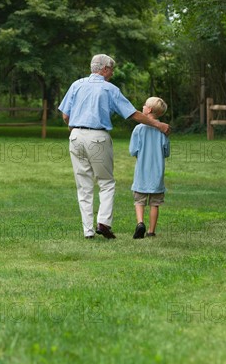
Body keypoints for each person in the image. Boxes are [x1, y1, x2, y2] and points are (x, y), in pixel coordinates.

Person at [58, 54, 171, 239]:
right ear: (104, 69)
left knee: (84, 185)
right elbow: (133, 114)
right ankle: (103, 223)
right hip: (98, 137)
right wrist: (159, 125)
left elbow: (65, 115)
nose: (112, 73)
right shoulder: (109, 89)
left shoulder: (76, 85)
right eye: (111, 69)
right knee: (106, 183)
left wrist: (75, 129)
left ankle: (87, 231)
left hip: (75, 136)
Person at [129, 97, 171, 239]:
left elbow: (133, 151)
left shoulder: (138, 129)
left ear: (149, 110)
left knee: (139, 200)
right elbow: (166, 152)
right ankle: (151, 231)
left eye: (145, 105)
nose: (142, 106)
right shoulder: (163, 130)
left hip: (141, 172)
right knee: (155, 203)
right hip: (157, 173)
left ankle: (140, 223)